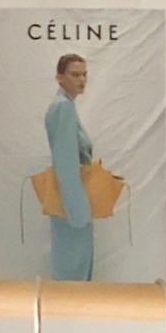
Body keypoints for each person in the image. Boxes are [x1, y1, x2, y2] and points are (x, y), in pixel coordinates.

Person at [45, 53, 96, 281]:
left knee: (75, 268)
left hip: (71, 198)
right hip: (71, 202)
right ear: (60, 78)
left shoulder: (66, 106)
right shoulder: (62, 108)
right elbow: (65, 162)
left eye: (84, 74)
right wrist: (77, 211)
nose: (82, 80)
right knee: (73, 271)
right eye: (75, 75)